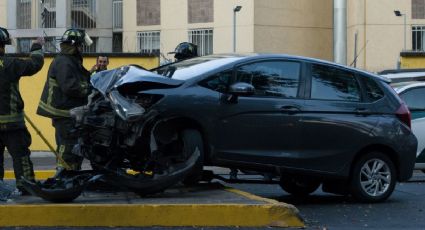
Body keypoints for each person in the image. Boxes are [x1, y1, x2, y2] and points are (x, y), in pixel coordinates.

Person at [37, 28, 92, 173]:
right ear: (74, 45)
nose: (82, 48)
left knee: (73, 145)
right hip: (63, 111)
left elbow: (81, 77)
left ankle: (72, 173)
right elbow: (70, 86)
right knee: (67, 144)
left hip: (68, 110)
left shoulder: (70, 60)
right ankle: (63, 175)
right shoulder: (64, 62)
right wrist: (91, 89)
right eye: (80, 45)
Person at [0, 27, 44, 194]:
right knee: (21, 157)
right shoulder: (12, 63)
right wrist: (37, 47)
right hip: (13, 124)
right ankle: (26, 186)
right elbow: (35, 64)